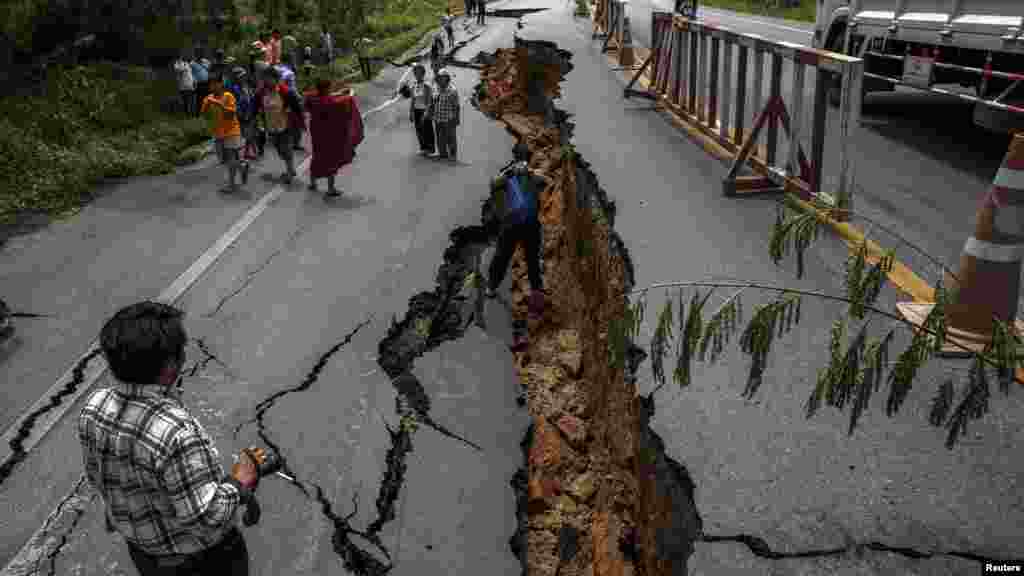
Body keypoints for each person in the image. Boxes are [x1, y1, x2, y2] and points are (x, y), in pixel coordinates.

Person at [78, 301, 266, 576]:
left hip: (145, 554)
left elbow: (98, 476)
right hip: (200, 562)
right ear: (170, 364)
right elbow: (205, 519)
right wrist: (240, 480)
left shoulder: (94, 406)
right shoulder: (175, 432)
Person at [486, 142, 547, 348]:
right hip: (521, 225)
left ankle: (496, 288)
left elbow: (544, 181)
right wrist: (515, 171)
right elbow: (494, 183)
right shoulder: (512, 173)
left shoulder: (527, 174)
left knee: (511, 258)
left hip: (519, 225)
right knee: (519, 259)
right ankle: (532, 294)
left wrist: (525, 172)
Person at [304, 78, 364, 198]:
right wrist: (350, 94)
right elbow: (343, 101)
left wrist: (340, 92)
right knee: (331, 159)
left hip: (316, 132)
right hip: (328, 133)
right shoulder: (329, 102)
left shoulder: (313, 99)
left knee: (317, 156)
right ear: (326, 89)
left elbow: (325, 97)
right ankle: (330, 189)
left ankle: (312, 183)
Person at [202, 73, 250, 193]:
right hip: (218, 133)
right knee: (223, 159)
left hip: (231, 131)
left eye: (215, 84)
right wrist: (207, 107)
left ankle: (231, 184)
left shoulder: (228, 96)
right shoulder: (208, 98)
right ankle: (242, 166)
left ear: (221, 84)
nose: (212, 86)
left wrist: (220, 105)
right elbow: (205, 115)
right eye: (211, 84)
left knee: (230, 158)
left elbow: (232, 113)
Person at [254, 66, 303, 184]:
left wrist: (299, 119)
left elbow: (297, 107)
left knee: (285, 148)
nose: (267, 81)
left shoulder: (286, 91)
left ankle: (290, 171)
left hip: (285, 125)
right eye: (265, 78)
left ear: (276, 79)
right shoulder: (260, 93)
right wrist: (252, 119)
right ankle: (290, 167)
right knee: (280, 150)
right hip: (271, 127)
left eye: (269, 78)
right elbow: (254, 107)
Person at [428, 68, 459, 161]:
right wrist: (430, 113)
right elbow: (433, 102)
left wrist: (457, 118)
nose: (441, 79)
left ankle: (453, 155)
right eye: (440, 77)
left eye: (443, 77)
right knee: (440, 137)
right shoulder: (435, 89)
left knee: (451, 138)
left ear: (447, 78)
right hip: (438, 117)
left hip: (448, 118)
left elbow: (456, 106)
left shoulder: (452, 90)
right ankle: (442, 154)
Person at [403, 64, 435, 156]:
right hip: (417, 110)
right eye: (416, 73)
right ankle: (423, 148)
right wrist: (411, 112)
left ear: (423, 74)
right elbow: (413, 100)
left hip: (424, 110)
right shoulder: (414, 85)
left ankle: (430, 148)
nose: (417, 75)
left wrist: (427, 111)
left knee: (427, 130)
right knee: (419, 130)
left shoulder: (427, 86)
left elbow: (429, 100)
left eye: (419, 73)